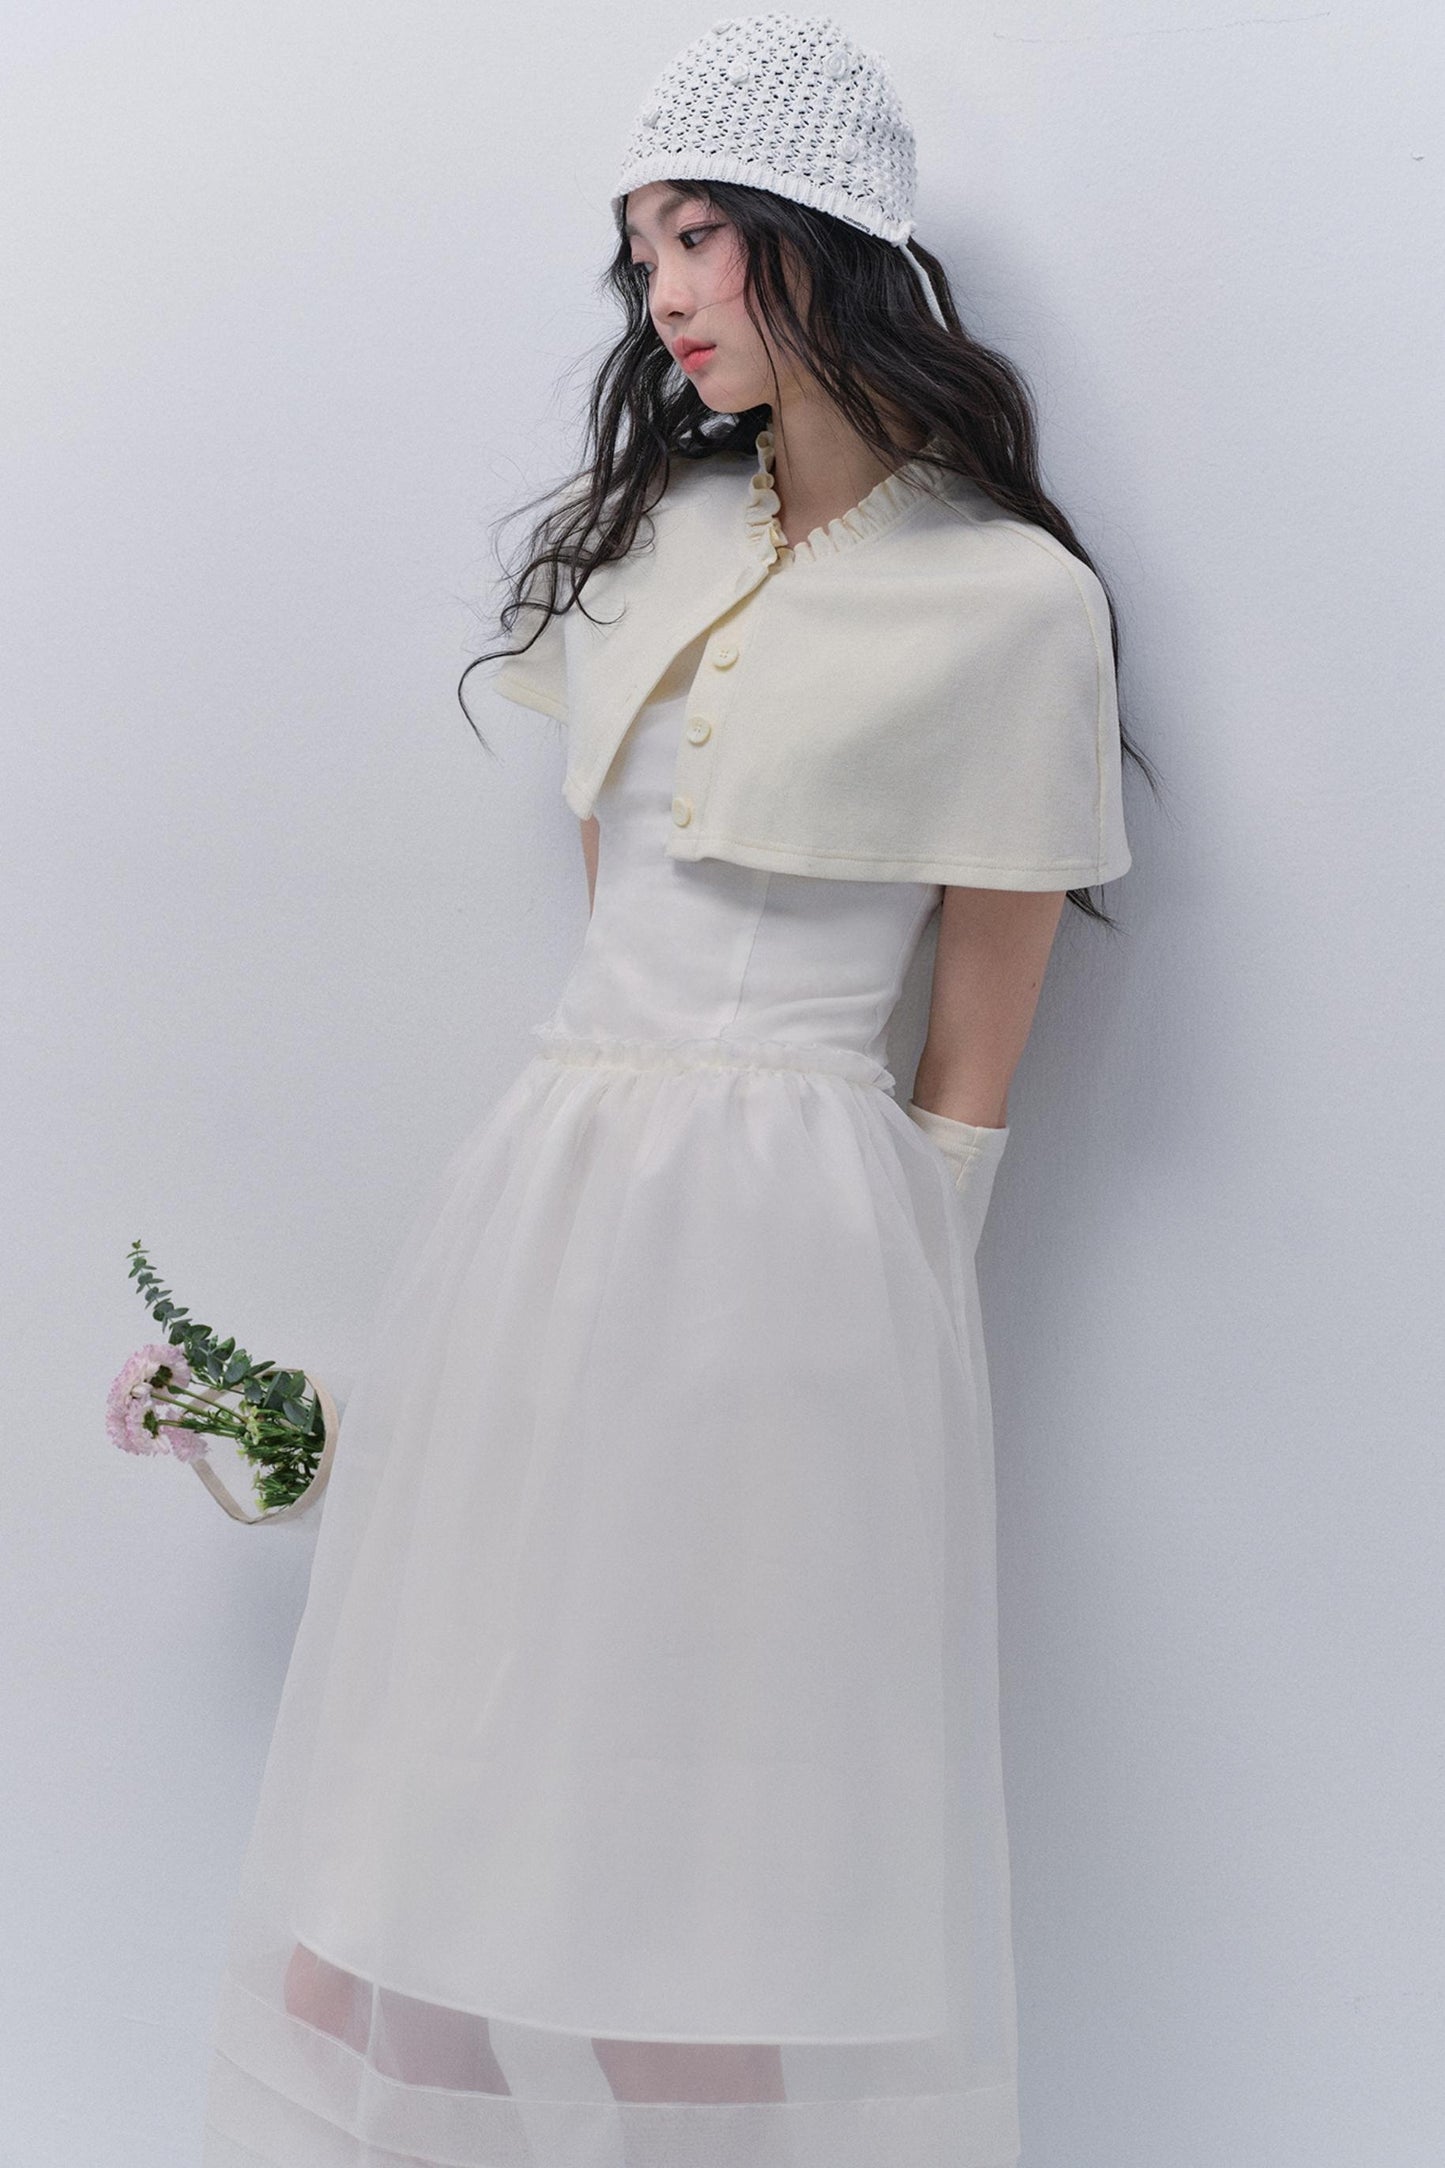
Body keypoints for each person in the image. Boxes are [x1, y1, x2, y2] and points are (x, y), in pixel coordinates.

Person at [200, 14, 1144, 2166]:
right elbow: (610, 924)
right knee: (432, 1838)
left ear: (829, 237)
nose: (665, 297)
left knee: (711, 1860)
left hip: (797, 1245)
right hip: (551, 1196)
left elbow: (977, 1033)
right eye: (639, 253)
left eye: (698, 234)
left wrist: (902, 1302)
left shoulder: (1014, 604)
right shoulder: (640, 546)